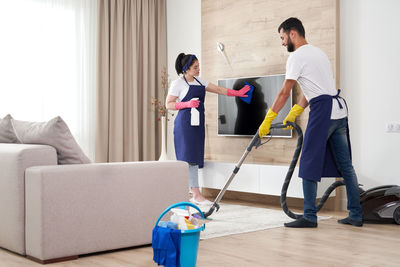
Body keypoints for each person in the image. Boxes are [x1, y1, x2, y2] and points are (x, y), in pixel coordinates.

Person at [258, 17, 363, 228]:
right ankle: (356, 214)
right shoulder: (319, 53)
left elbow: (284, 92)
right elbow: (315, 88)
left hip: (323, 111)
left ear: (292, 33)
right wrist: (296, 111)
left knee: (308, 161)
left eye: (282, 37)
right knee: (346, 165)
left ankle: (309, 216)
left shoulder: (296, 57)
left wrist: (268, 119)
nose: (282, 42)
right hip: (339, 111)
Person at [166, 53, 250, 205]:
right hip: (184, 125)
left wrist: (237, 93)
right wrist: (186, 104)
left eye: (199, 66)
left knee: (195, 158)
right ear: (186, 69)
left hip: (197, 124)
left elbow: (218, 89)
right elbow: (169, 104)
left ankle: (193, 193)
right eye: (195, 67)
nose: (199, 69)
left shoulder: (200, 81)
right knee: (188, 159)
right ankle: (196, 194)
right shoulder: (178, 84)